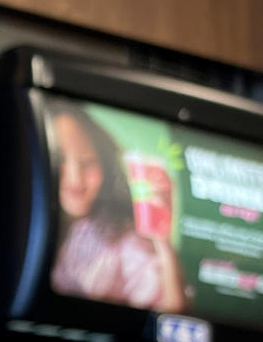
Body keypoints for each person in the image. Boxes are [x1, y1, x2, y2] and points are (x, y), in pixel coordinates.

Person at [48, 103, 187, 312]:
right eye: (60, 161)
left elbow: (172, 312)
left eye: (87, 162)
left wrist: (162, 242)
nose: (76, 179)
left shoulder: (118, 240)